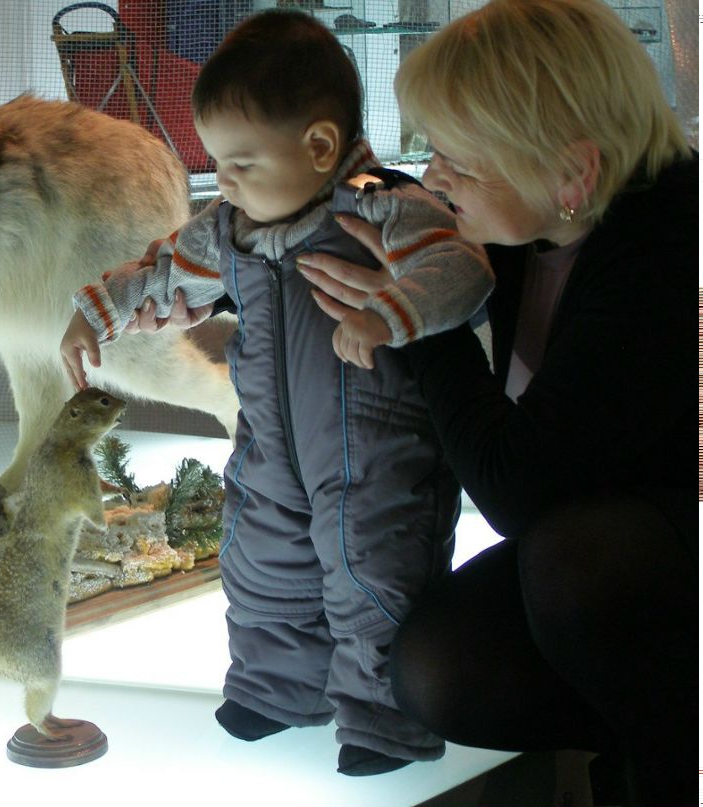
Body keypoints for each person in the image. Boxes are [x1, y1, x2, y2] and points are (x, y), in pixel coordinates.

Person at [60, 9, 493, 776]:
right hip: (267, 443)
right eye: (219, 161)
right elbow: (163, 273)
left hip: (374, 450)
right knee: (261, 561)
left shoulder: (383, 205)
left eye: (241, 161)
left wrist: (391, 311)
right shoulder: (230, 228)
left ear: (319, 146)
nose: (221, 179)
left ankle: (382, 719)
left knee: (373, 568)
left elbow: (463, 275)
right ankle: (276, 687)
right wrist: (98, 310)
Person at [293, 1, 697, 803]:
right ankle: (643, 736)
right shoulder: (545, 218)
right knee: (439, 663)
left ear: (572, 171)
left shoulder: (662, 238)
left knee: (577, 562)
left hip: (647, 550)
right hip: (618, 556)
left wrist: (422, 316)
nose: (437, 175)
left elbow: (519, 492)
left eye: (459, 158)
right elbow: (395, 191)